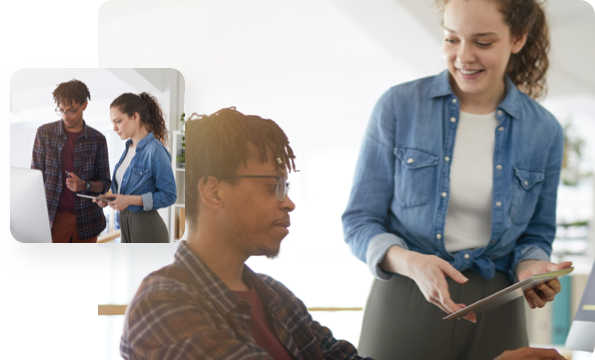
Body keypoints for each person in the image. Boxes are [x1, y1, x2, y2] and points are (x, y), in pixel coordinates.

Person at [120, 107, 566, 360]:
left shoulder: (274, 297)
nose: (288, 201)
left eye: (286, 186)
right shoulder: (163, 305)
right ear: (213, 191)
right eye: (271, 186)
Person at [342, 0, 573, 359]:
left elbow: (536, 235)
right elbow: (359, 221)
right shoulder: (398, 107)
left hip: (499, 304)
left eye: (483, 43)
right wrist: (410, 262)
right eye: (452, 39)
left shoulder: (544, 131)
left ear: (518, 39)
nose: (463, 57)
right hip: (407, 292)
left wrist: (532, 267)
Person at [31, 79, 111, 243]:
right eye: (62, 110)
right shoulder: (44, 134)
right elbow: (34, 180)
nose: (66, 116)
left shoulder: (98, 140)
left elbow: (105, 183)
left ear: (84, 105)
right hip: (54, 219)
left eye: (72, 111)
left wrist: (84, 185)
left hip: (88, 219)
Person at [94, 92, 177, 243]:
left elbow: (169, 195)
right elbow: (129, 189)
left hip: (146, 227)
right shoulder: (128, 149)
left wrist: (129, 200)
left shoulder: (155, 150)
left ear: (135, 117)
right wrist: (109, 197)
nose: (114, 128)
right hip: (125, 224)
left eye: (118, 121)